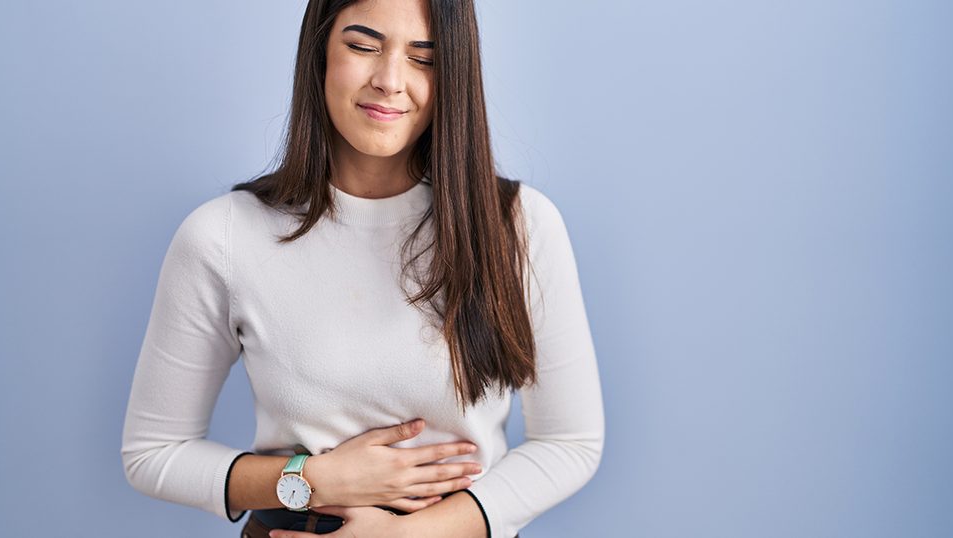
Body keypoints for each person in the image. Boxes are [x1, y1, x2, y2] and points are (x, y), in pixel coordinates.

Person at [120, 0, 604, 536]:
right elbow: (153, 454)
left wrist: (407, 535)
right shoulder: (224, 235)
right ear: (319, 53)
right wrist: (311, 479)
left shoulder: (517, 225)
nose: (390, 81)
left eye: (425, 58)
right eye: (362, 46)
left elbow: (570, 443)